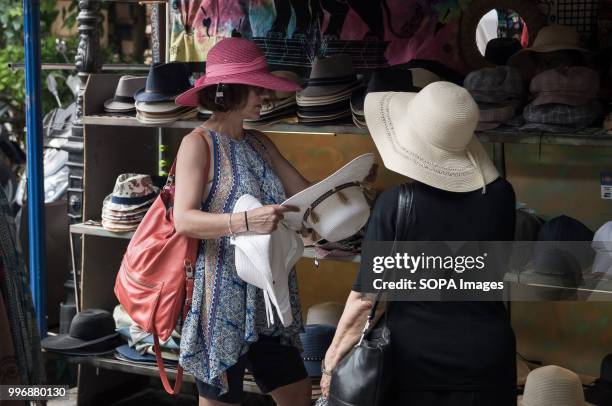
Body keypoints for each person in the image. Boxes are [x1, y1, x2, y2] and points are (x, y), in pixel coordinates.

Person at [320, 82, 517, 405]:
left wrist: (330, 365)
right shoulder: (501, 196)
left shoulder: (395, 205)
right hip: (489, 360)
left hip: (417, 367)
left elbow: (366, 301)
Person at [173, 38, 312, 406]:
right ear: (227, 91)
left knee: (298, 396)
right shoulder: (198, 143)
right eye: (255, 87)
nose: (264, 96)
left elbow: (302, 195)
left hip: (270, 293)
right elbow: (184, 220)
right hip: (221, 300)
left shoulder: (260, 143)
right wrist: (247, 220)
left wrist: (345, 188)